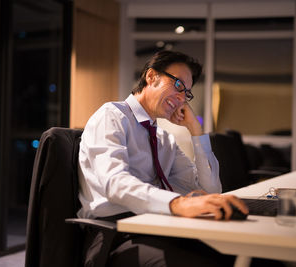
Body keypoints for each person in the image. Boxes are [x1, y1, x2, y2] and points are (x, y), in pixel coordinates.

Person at [77, 50, 248, 267]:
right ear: (151, 77)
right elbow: (115, 183)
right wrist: (177, 203)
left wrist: (195, 130)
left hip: (158, 227)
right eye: (178, 85)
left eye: (187, 93)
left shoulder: (164, 138)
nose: (181, 98)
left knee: (243, 256)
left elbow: (211, 189)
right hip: (116, 235)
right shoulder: (112, 116)